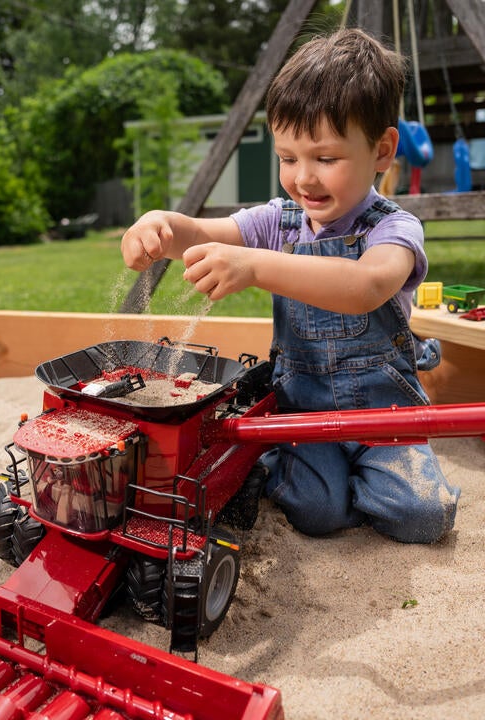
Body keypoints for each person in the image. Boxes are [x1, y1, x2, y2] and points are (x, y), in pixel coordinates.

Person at [120, 28, 459, 544]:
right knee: (317, 512)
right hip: (303, 408)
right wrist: (159, 224)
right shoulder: (278, 223)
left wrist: (256, 267)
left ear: (383, 150)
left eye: (325, 158)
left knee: (422, 515)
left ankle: (370, 470)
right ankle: (295, 468)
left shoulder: (394, 230)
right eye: (287, 157)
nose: (303, 178)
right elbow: (199, 233)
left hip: (382, 410)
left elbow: (365, 285)